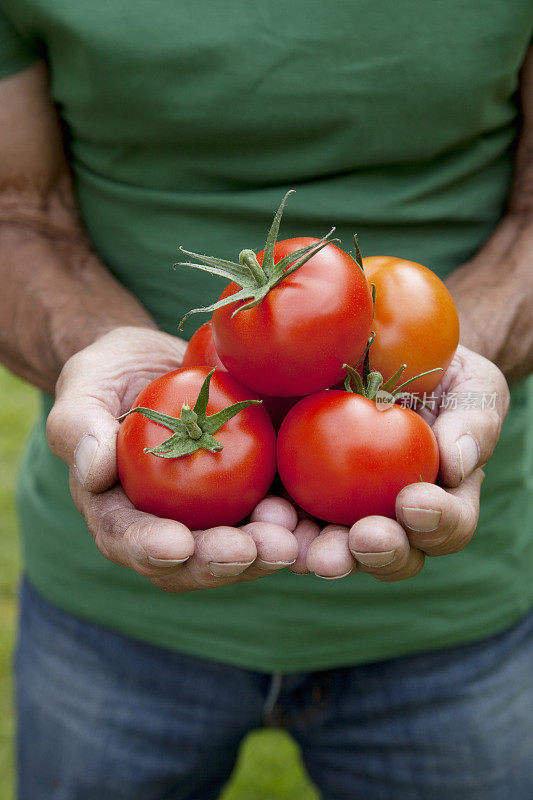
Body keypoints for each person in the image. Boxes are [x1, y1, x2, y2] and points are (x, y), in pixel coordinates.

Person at [0, 1, 532, 798]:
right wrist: (92, 352)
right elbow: (14, 210)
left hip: (460, 608)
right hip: (109, 607)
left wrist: (455, 360)